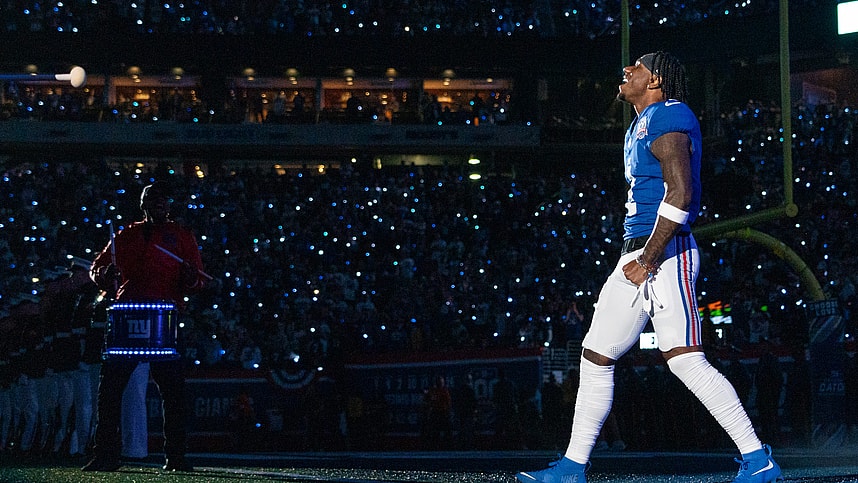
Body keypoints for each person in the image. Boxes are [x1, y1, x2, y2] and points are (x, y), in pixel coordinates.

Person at [515, 51, 782, 483]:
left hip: (665, 251)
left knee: (685, 361)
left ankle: (758, 458)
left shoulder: (669, 114)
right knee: (595, 356)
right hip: (638, 252)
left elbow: (680, 193)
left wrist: (649, 258)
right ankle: (571, 467)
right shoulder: (641, 123)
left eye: (635, 67)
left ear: (655, 80)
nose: (625, 71)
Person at [82, 181, 206, 472]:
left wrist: (189, 277)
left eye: (163, 198)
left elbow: (198, 280)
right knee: (110, 389)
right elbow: (95, 269)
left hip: (165, 317)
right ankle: (105, 454)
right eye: (152, 198)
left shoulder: (182, 235)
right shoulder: (127, 234)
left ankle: (176, 456)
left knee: (173, 391)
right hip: (128, 315)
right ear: (143, 204)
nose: (158, 202)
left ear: (170, 204)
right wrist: (104, 274)